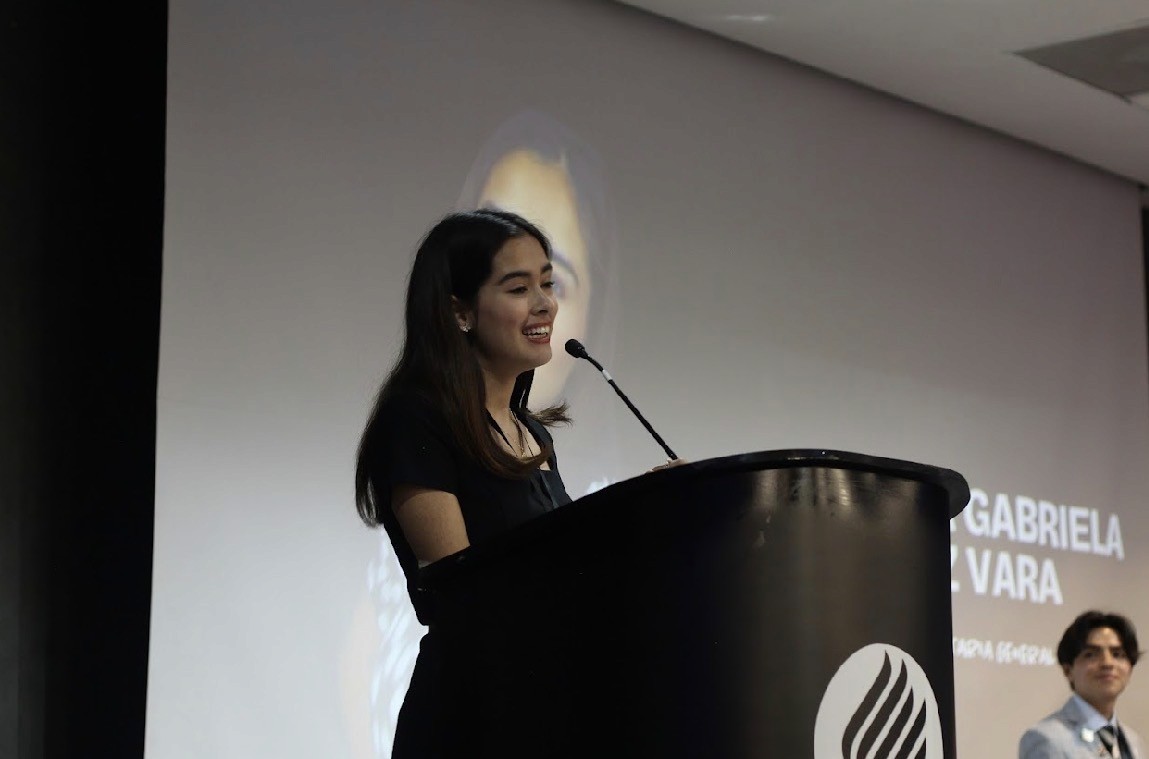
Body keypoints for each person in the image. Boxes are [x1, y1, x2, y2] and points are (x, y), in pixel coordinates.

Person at [354, 209, 574, 757]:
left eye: (547, 283)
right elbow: (461, 592)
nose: (544, 303)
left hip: (545, 710)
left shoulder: (532, 435)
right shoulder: (417, 420)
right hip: (471, 718)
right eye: (519, 287)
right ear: (460, 312)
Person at [1019, 610, 1145, 758]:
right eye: (1091, 654)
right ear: (1068, 670)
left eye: (1117, 654)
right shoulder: (1045, 738)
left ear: (1130, 668)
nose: (1108, 663)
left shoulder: (1133, 741)